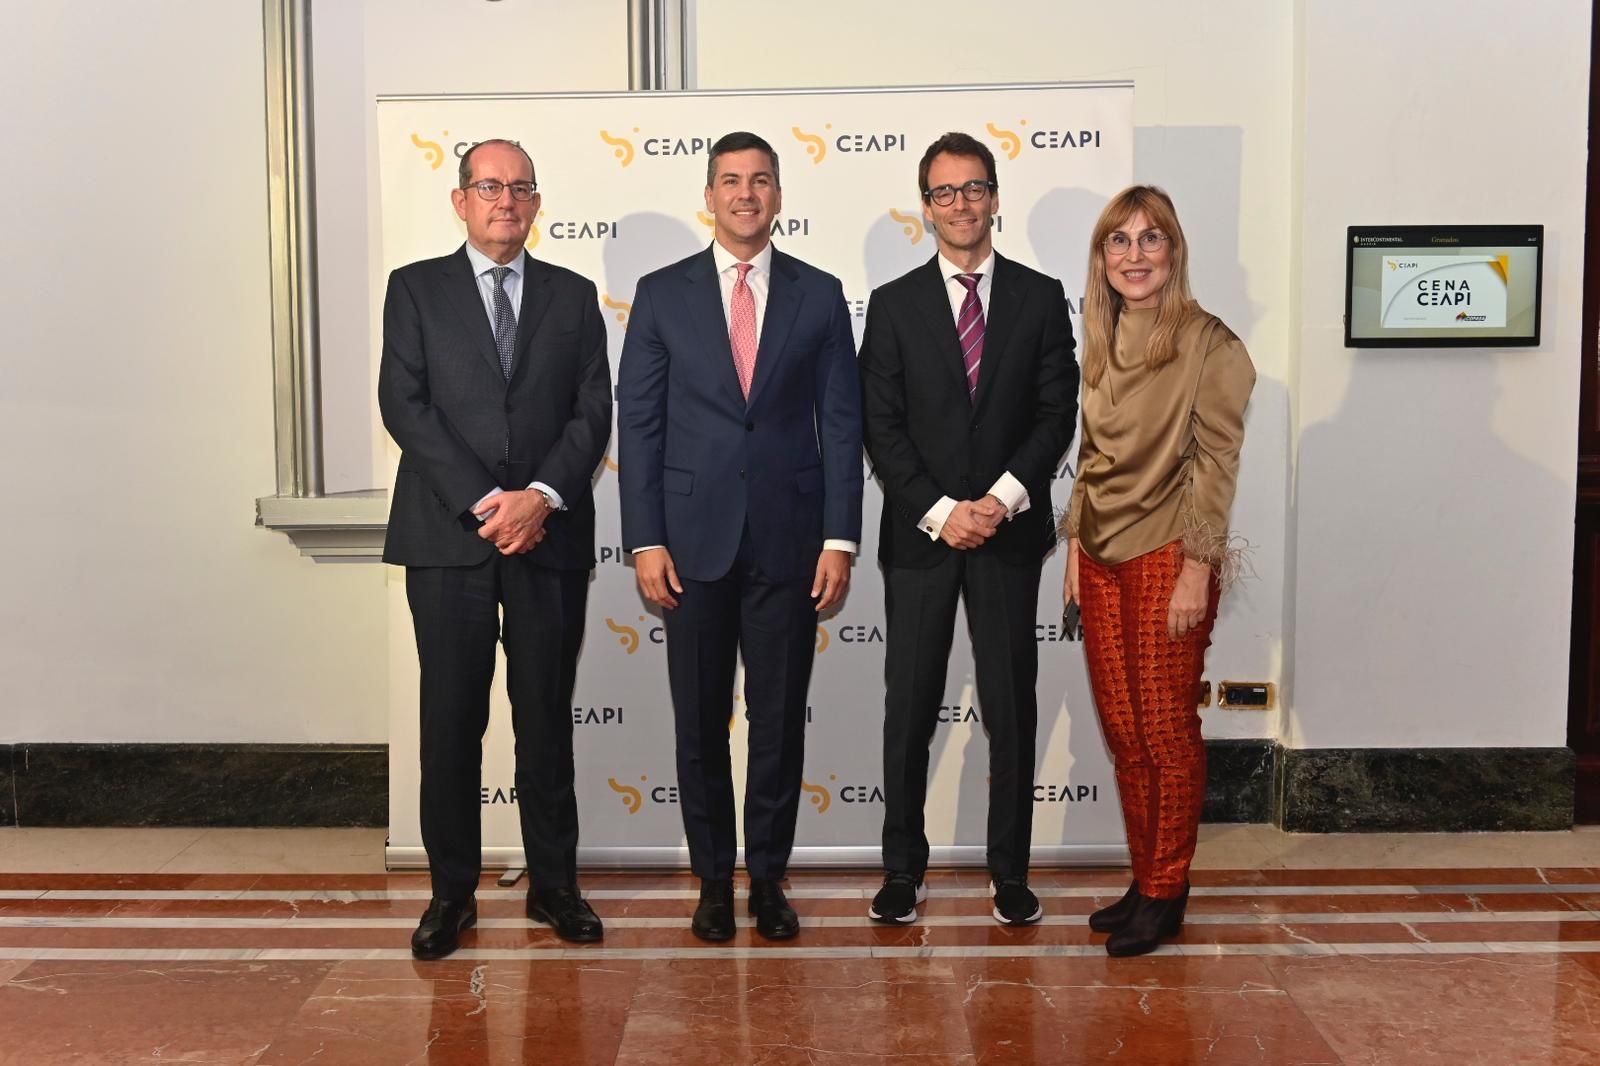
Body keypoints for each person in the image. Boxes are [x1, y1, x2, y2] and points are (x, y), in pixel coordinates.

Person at [617, 131, 863, 942]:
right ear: (710, 196)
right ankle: (714, 881)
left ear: (779, 195)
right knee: (698, 725)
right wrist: (645, 539)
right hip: (689, 547)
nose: (746, 193)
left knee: (779, 722)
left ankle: (768, 880)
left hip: (792, 545)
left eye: (760, 180)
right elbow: (640, 425)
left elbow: (841, 424)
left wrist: (840, 539)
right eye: (731, 180)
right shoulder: (661, 294)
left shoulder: (819, 294)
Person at [378, 138, 613, 960]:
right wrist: (490, 504)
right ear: (460, 200)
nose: (505, 200)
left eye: (520, 187)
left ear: (537, 204)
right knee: (451, 725)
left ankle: (555, 888)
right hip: (449, 540)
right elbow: (405, 405)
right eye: (489, 186)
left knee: (546, 720)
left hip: (548, 539)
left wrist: (538, 498)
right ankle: (451, 896)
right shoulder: (414, 288)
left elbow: (593, 412)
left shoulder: (574, 296)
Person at [859, 132, 1079, 926]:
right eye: (945, 192)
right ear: (927, 207)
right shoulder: (893, 305)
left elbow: (1056, 413)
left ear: (994, 197)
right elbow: (881, 427)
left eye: (974, 187)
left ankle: (1010, 873)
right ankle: (902, 870)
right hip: (922, 540)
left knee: (1010, 708)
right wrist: (944, 512)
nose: (961, 204)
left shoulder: (1041, 296)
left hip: (1008, 535)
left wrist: (1001, 501)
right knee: (910, 710)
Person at [1063, 185, 1255, 957]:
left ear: (1174, 251)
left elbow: (1216, 464)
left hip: (1170, 553)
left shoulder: (1211, 343)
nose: (1134, 254)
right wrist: (1075, 550)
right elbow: (1091, 456)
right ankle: (1146, 880)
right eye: (1120, 240)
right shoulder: (1100, 335)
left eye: (1151, 239)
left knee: (1167, 731)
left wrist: (1198, 569)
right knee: (1125, 733)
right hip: (1099, 554)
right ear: (1102, 256)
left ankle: (1167, 890)